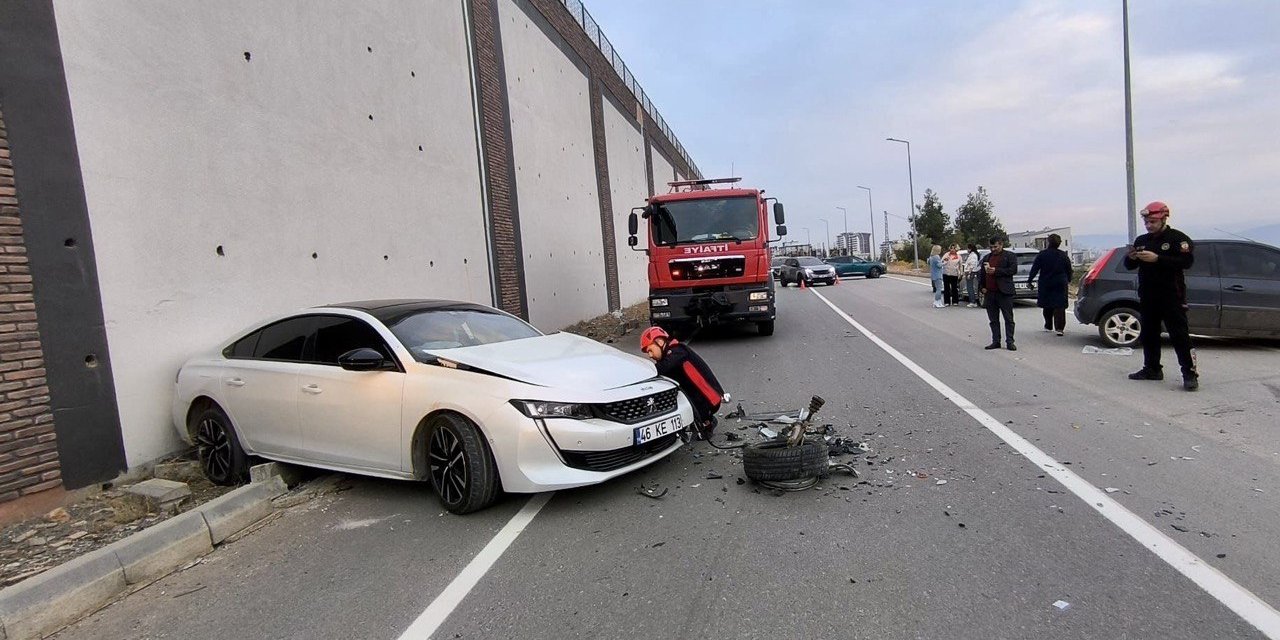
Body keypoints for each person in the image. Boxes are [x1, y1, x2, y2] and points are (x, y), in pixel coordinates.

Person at [1123, 201, 1199, 391]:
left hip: (1172, 295)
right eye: (1147, 222)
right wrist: (1131, 258)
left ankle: (1189, 374)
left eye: (1153, 222)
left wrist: (1158, 259)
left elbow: (1186, 262)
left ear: (1164, 219)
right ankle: (1152, 369)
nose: (1149, 225)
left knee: (1179, 335)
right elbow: (1129, 266)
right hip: (1148, 295)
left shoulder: (1178, 239)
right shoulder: (1142, 240)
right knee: (1149, 334)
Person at [640, 326, 726, 437]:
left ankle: (706, 422)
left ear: (660, 342)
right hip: (699, 397)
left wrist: (644, 371)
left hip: (708, 399)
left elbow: (662, 368)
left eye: (650, 350)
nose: (650, 355)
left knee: (700, 426)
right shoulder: (672, 353)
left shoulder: (678, 351)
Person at [1028, 233, 1073, 335]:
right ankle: (1060, 328)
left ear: (1048, 242)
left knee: (1047, 305)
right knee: (1060, 306)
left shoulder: (1042, 254)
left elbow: (1035, 268)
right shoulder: (1063, 255)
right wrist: (1068, 279)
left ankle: (1048, 325)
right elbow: (1069, 270)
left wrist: (1030, 280)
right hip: (1060, 283)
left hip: (1046, 282)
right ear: (1059, 243)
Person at [980, 236, 1018, 350]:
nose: (993, 249)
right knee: (993, 320)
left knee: (1008, 319)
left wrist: (996, 271)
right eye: (991, 247)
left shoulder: (1009, 256)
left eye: (995, 247)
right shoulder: (987, 257)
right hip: (990, 293)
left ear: (1001, 245)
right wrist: (982, 287)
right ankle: (996, 341)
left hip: (1004, 292)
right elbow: (982, 274)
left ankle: (1010, 341)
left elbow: (1013, 270)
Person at [963, 243, 981, 307]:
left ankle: (972, 301)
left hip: (970, 272)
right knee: (969, 287)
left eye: (967, 248)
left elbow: (972, 265)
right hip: (970, 271)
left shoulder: (973, 255)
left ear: (970, 248)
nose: (967, 249)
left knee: (970, 287)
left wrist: (969, 273)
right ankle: (972, 301)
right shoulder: (972, 255)